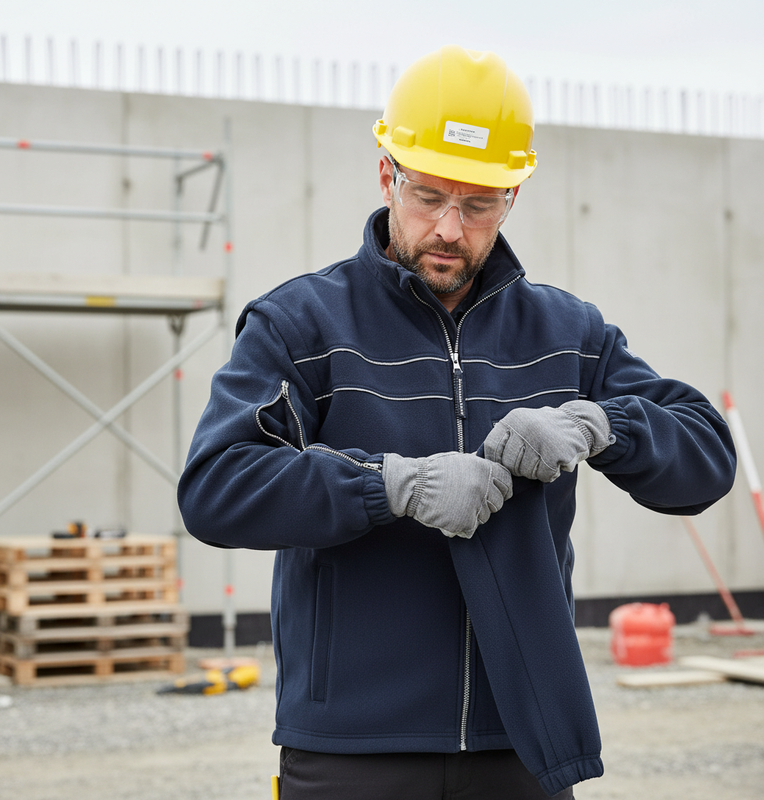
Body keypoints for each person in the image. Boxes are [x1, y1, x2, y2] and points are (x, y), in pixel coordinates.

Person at [178, 45, 736, 799]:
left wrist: (601, 425)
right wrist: (388, 486)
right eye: (429, 195)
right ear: (387, 174)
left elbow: (705, 455)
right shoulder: (300, 324)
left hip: (522, 745)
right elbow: (217, 485)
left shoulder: (568, 332)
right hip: (352, 749)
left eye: (478, 205)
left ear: (512, 196)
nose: (449, 227)